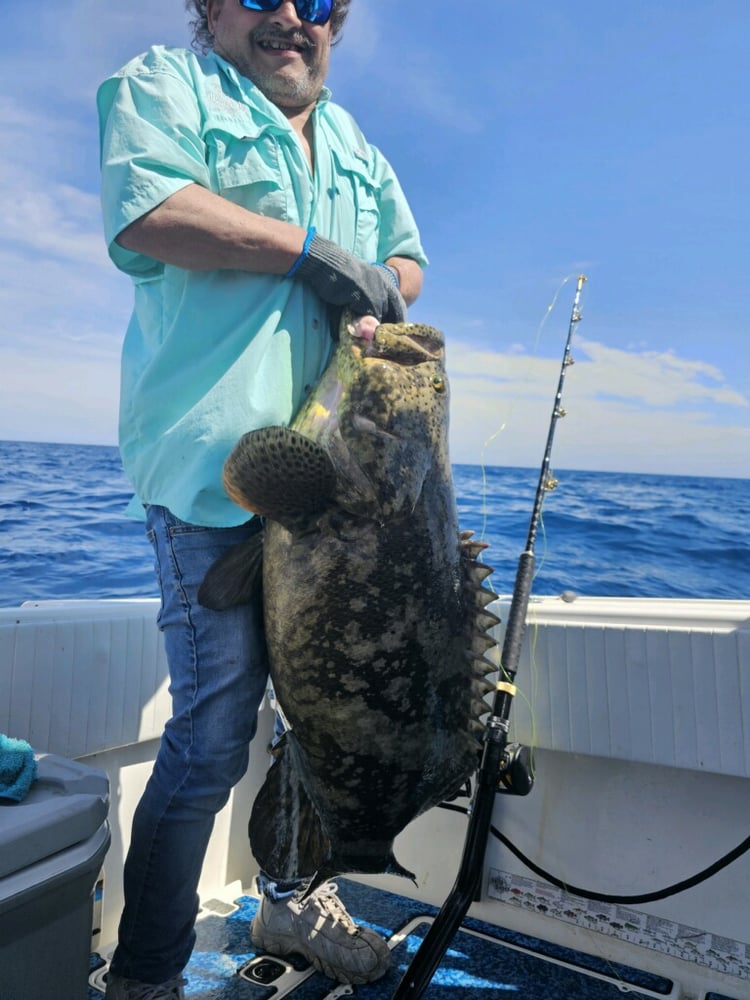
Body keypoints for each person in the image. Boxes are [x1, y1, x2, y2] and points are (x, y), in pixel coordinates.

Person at [96, 2, 427, 998]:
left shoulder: (357, 147)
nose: (291, 16)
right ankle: (146, 977)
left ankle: (290, 895)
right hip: (213, 475)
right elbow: (151, 212)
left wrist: (379, 288)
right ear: (210, 9)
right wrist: (308, 254)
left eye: (318, 0)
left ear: (342, 21)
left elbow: (407, 258)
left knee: (320, 718)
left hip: (339, 492)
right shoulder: (165, 85)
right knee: (210, 739)